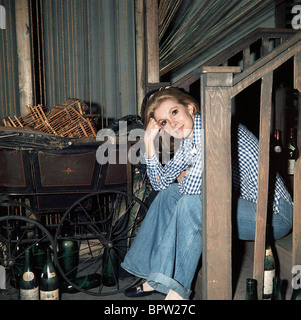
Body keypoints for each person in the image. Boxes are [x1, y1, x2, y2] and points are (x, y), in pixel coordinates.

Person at [120, 87, 293, 300]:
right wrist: (148, 142)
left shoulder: (212, 130)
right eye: (163, 122)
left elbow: (192, 194)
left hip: (273, 214)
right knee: (171, 194)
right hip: (244, 206)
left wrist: (188, 176)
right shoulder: (189, 141)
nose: (172, 124)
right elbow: (160, 184)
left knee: (190, 205)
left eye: (174, 112)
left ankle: (177, 291)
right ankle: (152, 274)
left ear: (190, 108)